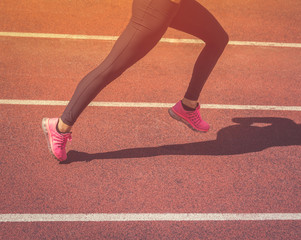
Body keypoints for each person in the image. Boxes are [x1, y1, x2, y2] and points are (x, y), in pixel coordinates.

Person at [42, 0, 229, 161]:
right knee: (110, 68)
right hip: (154, 7)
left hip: (175, 6)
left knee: (218, 38)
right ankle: (60, 126)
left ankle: (187, 106)